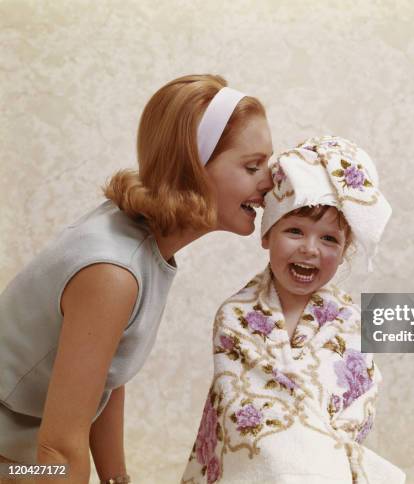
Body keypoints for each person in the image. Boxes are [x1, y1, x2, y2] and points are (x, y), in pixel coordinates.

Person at [0, 74, 274, 484]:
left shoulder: (141, 242)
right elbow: (57, 452)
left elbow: (105, 378)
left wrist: (117, 479)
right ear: (192, 169)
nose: (269, 182)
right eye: (252, 166)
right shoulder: (113, 273)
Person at [181, 136, 405, 484]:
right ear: (267, 234)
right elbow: (239, 408)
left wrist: (319, 457)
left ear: (345, 251)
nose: (310, 249)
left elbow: (359, 405)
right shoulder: (236, 316)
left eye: (329, 238)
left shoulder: (350, 322)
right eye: (295, 231)